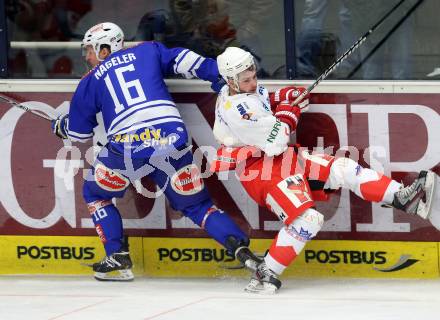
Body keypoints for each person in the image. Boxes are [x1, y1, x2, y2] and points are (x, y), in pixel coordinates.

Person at [210, 47, 437, 293]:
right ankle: (267, 272)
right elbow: (276, 140)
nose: (253, 82)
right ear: (231, 80)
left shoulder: (235, 89)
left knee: (345, 168)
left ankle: (403, 198)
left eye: (254, 76)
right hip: (261, 170)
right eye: (247, 80)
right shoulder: (237, 112)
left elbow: (261, 101)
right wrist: (290, 111)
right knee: (308, 219)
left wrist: (283, 96)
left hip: (278, 159)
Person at [51, 22, 259, 281]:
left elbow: (80, 134)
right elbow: (187, 60)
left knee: (94, 193)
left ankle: (117, 256)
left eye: (90, 51)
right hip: (172, 140)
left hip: (127, 149)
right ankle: (244, 252)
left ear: (104, 49)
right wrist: (219, 79)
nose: (87, 57)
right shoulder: (148, 50)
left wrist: (61, 126)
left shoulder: (90, 80)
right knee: (199, 206)